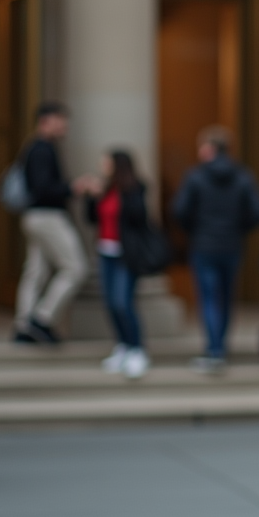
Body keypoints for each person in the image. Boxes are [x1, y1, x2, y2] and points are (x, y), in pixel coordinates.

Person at [171, 127, 259, 371]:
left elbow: (179, 211)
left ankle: (214, 349)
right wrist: (238, 229)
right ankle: (220, 345)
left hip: (204, 245)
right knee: (226, 297)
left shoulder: (195, 176)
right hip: (232, 245)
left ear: (210, 149)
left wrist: (194, 229)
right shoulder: (243, 176)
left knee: (210, 297)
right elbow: (256, 212)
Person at [12, 102, 95, 345]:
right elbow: (43, 189)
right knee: (76, 268)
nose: (65, 126)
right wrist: (74, 187)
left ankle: (24, 326)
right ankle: (42, 319)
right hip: (47, 216)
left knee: (35, 272)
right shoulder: (42, 149)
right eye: (60, 120)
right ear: (45, 121)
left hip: (36, 217)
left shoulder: (37, 148)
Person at [85, 150, 152, 379]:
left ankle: (137, 349)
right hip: (105, 252)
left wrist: (126, 196)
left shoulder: (134, 188)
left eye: (107, 161)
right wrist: (92, 197)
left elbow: (140, 217)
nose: (103, 165)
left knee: (123, 302)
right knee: (110, 304)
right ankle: (122, 346)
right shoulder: (105, 188)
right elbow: (92, 219)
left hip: (127, 255)